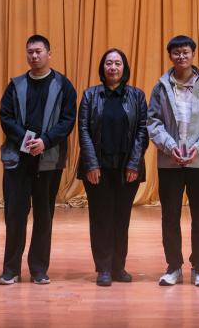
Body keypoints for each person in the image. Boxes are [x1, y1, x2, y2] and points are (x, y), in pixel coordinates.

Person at [0, 34, 76, 285]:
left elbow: (67, 121)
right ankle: (11, 269)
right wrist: (27, 140)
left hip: (49, 161)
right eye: (30, 52)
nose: (34, 56)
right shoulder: (16, 84)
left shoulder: (63, 85)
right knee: (14, 217)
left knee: (44, 216)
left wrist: (45, 141)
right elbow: (5, 117)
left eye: (38, 51)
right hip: (17, 161)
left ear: (49, 54)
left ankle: (39, 269)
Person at [147, 34, 199, 287]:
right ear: (170, 56)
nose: (181, 56)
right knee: (170, 217)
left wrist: (198, 149)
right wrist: (170, 147)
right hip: (170, 162)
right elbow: (153, 122)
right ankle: (173, 267)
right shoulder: (160, 87)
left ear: (193, 54)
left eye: (185, 52)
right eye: (176, 52)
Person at [77, 49, 149, 286]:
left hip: (127, 169)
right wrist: (91, 164)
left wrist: (134, 163)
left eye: (117, 63)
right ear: (103, 67)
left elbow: (142, 131)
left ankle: (119, 267)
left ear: (124, 68)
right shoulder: (90, 95)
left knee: (121, 219)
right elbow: (84, 131)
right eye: (109, 63)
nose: (113, 67)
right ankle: (104, 268)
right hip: (97, 169)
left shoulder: (137, 96)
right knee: (101, 219)